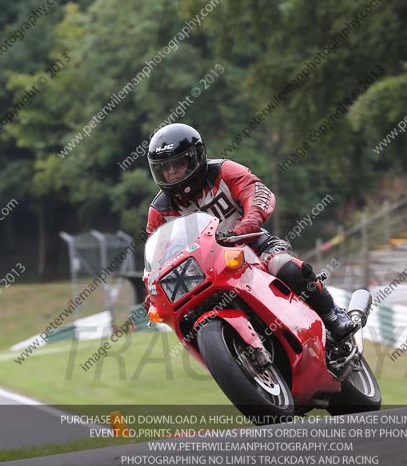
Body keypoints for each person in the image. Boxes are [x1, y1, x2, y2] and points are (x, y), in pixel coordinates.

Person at [144, 123, 355, 342]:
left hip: (253, 245)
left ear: (196, 157)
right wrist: (152, 294)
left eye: (178, 165)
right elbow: (156, 258)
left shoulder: (224, 171)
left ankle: (332, 315)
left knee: (284, 267)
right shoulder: (159, 211)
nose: (172, 174)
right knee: (186, 320)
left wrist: (246, 225)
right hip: (202, 272)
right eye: (165, 169)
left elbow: (257, 194)